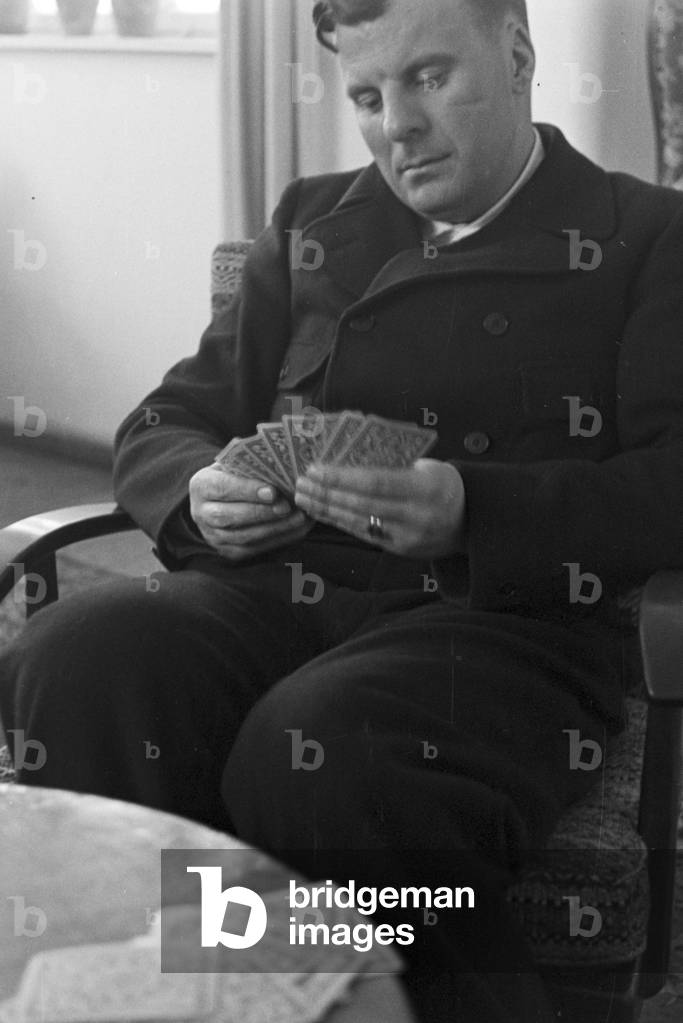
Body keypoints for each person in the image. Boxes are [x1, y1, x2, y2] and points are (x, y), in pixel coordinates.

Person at [2, 0, 683, 1019]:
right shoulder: (310, 223)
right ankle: (183, 990)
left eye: (429, 78)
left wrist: (474, 510)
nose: (396, 125)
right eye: (366, 96)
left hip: (502, 619)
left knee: (319, 750)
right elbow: (170, 417)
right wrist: (197, 493)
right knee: (79, 654)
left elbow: (670, 481)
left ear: (516, 55)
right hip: (273, 585)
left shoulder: (647, 235)